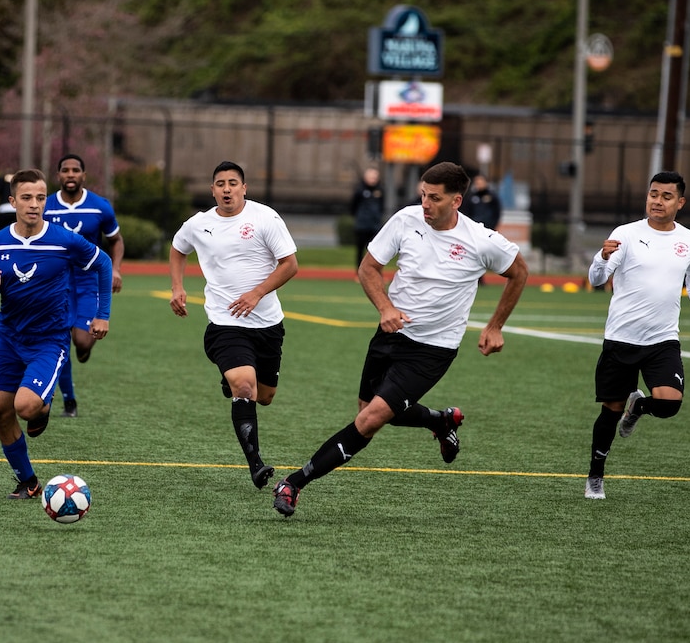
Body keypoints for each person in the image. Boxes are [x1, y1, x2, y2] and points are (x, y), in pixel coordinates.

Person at [271, 161, 528, 517]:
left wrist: (495, 326)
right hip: (391, 334)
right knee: (368, 411)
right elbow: (368, 267)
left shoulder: (481, 241)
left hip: (433, 349)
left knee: (370, 420)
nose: (425, 203)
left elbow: (519, 272)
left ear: (456, 201)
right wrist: (385, 307)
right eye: (423, 194)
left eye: (434, 198)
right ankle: (440, 421)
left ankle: (294, 482)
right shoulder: (406, 220)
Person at [0, 168, 114, 499]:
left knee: (25, 406)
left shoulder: (63, 239)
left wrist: (102, 315)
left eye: (39, 197)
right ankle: (28, 482)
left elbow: (103, 263)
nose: (34, 204)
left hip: (48, 340)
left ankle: (44, 407)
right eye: (26, 198)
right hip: (6, 337)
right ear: (12, 202)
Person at [583, 171, 690, 500]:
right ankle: (595, 477)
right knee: (610, 411)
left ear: (680, 202)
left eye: (666, 196)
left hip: (662, 340)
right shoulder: (626, 234)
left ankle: (639, 407)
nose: (658, 201)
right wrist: (600, 258)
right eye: (653, 194)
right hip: (621, 338)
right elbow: (597, 278)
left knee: (670, 404)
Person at [170, 160, 299, 490]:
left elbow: (290, 265)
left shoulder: (265, 218)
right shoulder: (199, 224)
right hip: (225, 323)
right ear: (212, 190)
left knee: (265, 396)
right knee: (245, 387)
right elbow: (177, 248)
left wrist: (257, 294)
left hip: (268, 323)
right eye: (220, 184)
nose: (226, 189)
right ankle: (256, 464)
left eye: (232, 183)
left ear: (244, 188)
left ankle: (233, 380)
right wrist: (177, 287)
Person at [44, 154, 124, 417]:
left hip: (89, 281)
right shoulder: (46, 206)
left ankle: (84, 347)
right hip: (56, 284)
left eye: (75, 170)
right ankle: (69, 401)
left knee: (83, 343)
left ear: (83, 175)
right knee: (61, 342)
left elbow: (116, 240)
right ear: (58, 176)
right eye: (65, 170)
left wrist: (116, 269)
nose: (70, 174)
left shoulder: (100, 207)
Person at [350, 166, 385, 267]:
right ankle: (359, 271)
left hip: (375, 224)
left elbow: (381, 206)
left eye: (375, 177)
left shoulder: (380, 190)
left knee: (375, 252)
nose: (373, 179)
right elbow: (353, 206)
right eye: (371, 176)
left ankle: (374, 271)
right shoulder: (360, 190)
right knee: (360, 249)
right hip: (362, 224)